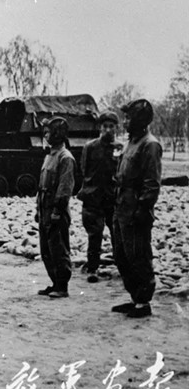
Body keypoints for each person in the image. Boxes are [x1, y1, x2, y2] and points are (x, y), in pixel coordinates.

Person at [111, 99, 162, 318]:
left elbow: (152, 183)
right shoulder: (132, 142)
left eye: (128, 118)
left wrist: (142, 209)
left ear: (140, 120)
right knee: (121, 255)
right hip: (122, 206)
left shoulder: (150, 145)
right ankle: (135, 297)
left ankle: (144, 302)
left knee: (138, 255)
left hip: (135, 209)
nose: (125, 122)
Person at [77, 111, 123, 283]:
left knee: (117, 233)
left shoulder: (119, 148)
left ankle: (122, 267)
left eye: (111, 126)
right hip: (93, 196)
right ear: (100, 127)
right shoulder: (90, 147)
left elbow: (121, 171)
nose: (108, 130)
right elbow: (84, 169)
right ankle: (93, 268)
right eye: (105, 126)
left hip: (112, 198)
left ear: (116, 128)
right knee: (94, 234)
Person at [35, 117, 75, 299]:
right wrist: (38, 210)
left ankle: (62, 285)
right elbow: (41, 186)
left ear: (58, 134)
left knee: (58, 249)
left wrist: (57, 211)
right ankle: (55, 283)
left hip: (55, 210)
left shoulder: (65, 158)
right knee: (47, 249)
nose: (45, 135)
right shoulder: (50, 156)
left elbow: (64, 188)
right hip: (45, 209)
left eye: (48, 132)